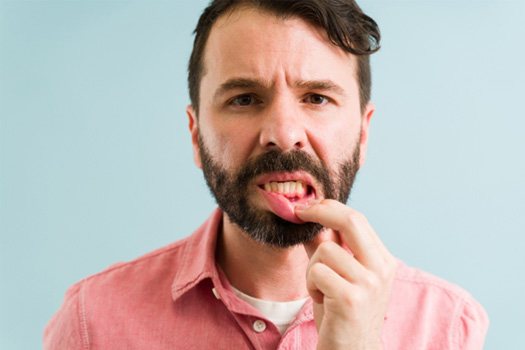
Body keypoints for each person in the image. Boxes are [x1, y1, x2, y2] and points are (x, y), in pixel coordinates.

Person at [44, 0, 489, 349]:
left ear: (363, 134)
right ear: (196, 134)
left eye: (316, 98)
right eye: (243, 98)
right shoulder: (91, 322)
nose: (283, 134)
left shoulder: (449, 327)